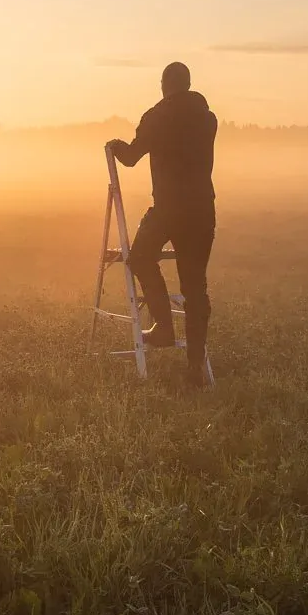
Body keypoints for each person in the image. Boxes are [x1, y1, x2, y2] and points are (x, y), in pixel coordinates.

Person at [106, 61, 217, 385]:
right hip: (202, 209)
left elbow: (130, 157)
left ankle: (163, 327)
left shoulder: (156, 117)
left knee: (140, 257)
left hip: (169, 209)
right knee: (195, 287)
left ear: (165, 85)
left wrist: (114, 146)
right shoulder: (208, 119)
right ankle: (195, 366)